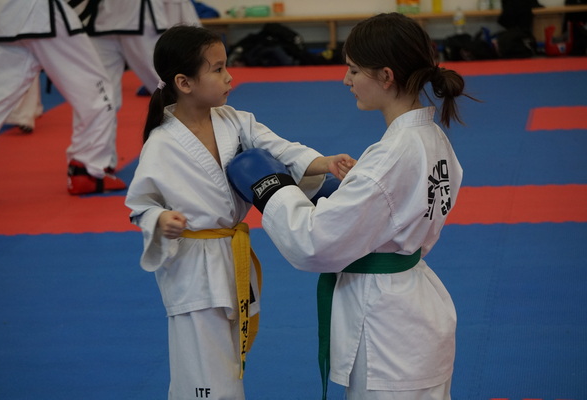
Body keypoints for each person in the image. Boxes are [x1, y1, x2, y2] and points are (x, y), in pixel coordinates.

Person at [228, 12, 476, 400]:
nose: (347, 80)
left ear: (386, 76)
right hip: (418, 312)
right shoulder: (431, 138)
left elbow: (314, 243)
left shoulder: (390, 157)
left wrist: (271, 188)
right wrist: (342, 195)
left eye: (354, 70)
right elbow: (396, 210)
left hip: (388, 333)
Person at [124, 25, 354, 400]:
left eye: (226, 66)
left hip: (231, 257)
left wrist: (323, 162)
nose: (229, 76)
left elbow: (281, 151)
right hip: (192, 266)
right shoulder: (162, 143)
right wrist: (161, 219)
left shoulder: (234, 120)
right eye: (217, 69)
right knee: (204, 368)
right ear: (184, 82)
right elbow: (141, 205)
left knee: (228, 362)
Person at [0, 0, 126, 195]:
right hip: (42, 13)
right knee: (95, 89)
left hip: (4, 13)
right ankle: (87, 169)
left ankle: (86, 168)